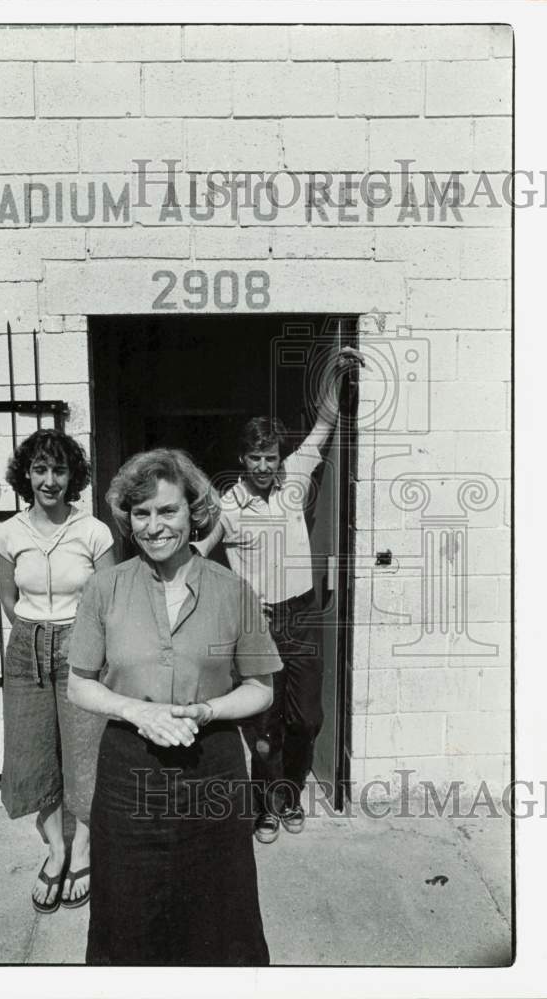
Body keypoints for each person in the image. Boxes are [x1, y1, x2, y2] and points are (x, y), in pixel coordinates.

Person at [67, 448, 281, 966]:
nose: (154, 526)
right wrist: (139, 712)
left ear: (193, 512)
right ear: (127, 519)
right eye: (141, 514)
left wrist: (206, 710)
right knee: (129, 916)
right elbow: (79, 685)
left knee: (219, 916)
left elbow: (261, 687)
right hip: (127, 774)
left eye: (167, 511)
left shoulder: (233, 591)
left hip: (213, 771)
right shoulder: (105, 587)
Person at [195, 346, 366, 844]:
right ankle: (267, 807)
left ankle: (290, 794)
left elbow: (325, 423)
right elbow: (199, 556)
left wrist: (335, 375)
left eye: (270, 457)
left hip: (302, 614)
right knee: (263, 729)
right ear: (242, 459)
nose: (265, 466)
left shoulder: (294, 477)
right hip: (258, 623)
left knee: (306, 720)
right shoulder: (229, 506)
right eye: (256, 458)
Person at [0, 429, 116, 914]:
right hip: (26, 649)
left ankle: (82, 848)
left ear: (73, 477)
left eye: (59, 470)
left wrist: (83, 645)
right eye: (41, 469)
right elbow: (9, 597)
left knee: (86, 750)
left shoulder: (93, 532)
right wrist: (32, 636)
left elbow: (108, 600)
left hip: (80, 647)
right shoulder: (9, 533)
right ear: (27, 474)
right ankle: (56, 849)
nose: (50, 480)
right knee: (32, 751)